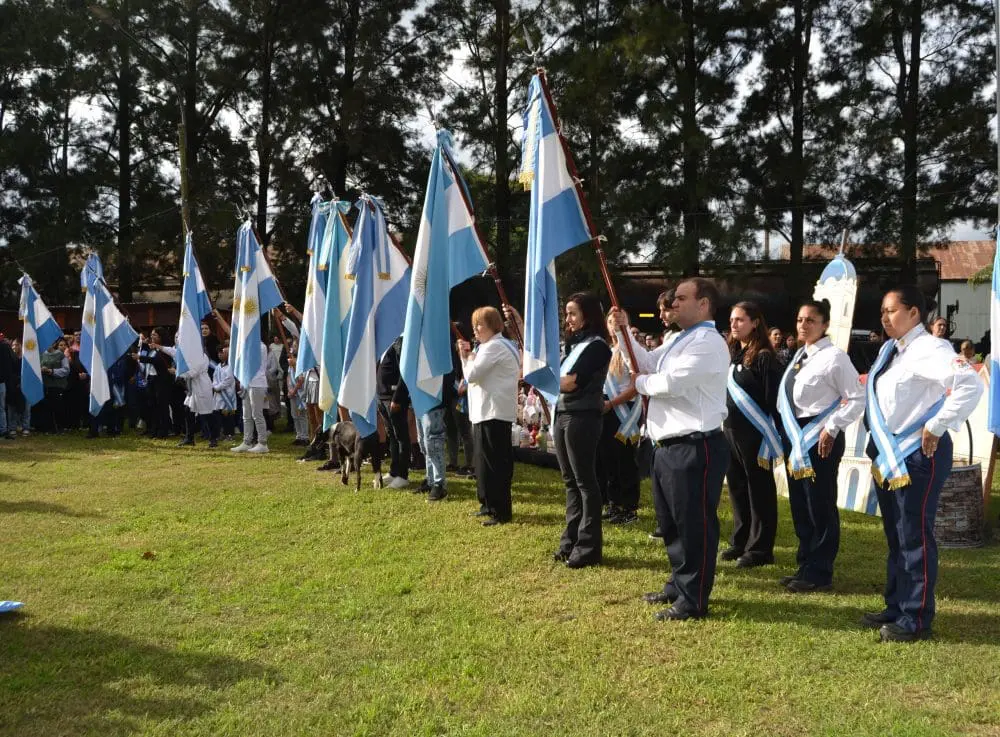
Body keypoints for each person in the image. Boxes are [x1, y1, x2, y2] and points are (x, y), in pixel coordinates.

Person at [862, 286, 982, 642]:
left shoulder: (930, 348)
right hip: (888, 452)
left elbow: (969, 384)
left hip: (918, 453)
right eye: (882, 311)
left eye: (892, 310)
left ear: (915, 313)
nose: (885, 317)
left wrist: (937, 424)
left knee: (914, 535)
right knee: (896, 535)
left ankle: (915, 618)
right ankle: (897, 603)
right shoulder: (891, 350)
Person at [612, 278, 729, 620]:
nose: (673, 304)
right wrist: (622, 334)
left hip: (695, 444)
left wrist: (640, 385)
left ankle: (693, 599)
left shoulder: (708, 342)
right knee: (672, 522)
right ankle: (679, 583)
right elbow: (646, 362)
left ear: (704, 303)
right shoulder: (679, 339)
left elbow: (673, 383)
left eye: (681, 298)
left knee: (694, 524)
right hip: (668, 445)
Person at [776, 299, 864, 593]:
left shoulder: (835, 357)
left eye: (811, 320)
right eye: (800, 319)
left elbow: (856, 397)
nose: (803, 325)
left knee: (820, 504)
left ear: (825, 325)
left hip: (821, 436)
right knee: (801, 503)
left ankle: (820, 570)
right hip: (797, 434)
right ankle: (805, 563)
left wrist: (833, 426)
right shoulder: (801, 355)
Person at [544, 292, 612, 568]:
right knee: (570, 482)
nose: (568, 319)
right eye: (567, 313)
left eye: (573, 313)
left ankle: (588, 546)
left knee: (585, 482)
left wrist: (543, 379)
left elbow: (572, 382)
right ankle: (569, 541)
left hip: (582, 416)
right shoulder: (573, 345)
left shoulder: (597, 347)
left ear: (588, 314)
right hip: (563, 414)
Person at [722, 302, 783, 569]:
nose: (734, 325)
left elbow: (774, 400)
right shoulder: (735, 352)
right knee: (737, 488)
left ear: (755, 322)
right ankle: (741, 540)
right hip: (731, 431)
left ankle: (760, 548)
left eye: (740, 320)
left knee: (759, 490)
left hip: (756, 434)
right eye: (732, 320)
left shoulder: (764, 358)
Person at [458, 306, 521, 526]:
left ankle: (500, 510)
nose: (475, 329)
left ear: (493, 326)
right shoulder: (499, 345)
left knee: (495, 463)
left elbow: (472, 375)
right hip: (489, 411)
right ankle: (487, 503)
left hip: (493, 412)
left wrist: (464, 358)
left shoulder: (494, 346)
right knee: (485, 461)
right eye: (474, 324)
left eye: (480, 325)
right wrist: (472, 355)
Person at [598, 311, 641, 525]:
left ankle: (629, 507)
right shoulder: (606, 350)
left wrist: (611, 403)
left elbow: (635, 387)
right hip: (606, 410)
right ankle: (613, 503)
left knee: (624, 460)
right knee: (608, 459)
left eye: (617, 320)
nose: (613, 324)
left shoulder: (629, 351)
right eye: (609, 321)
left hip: (624, 411)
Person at [377, 335, 412, 489]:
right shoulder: (384, 341)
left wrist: (398, 397)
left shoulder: (399, 341)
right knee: (392, 436)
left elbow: (405, 370)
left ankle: (403, 475)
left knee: (401, 436)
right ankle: (394, 471)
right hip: (382, 396)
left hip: (393, 397)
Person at [231, 339, 270, 454]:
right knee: (246, 415)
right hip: (247, 382)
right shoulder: (247, 344)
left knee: (257, 414)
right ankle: (247, 442)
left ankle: (262, 443)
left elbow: (252, 361)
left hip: (257, 383)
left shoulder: (261, 346)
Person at [38, 338, 70, 433]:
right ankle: (49, 428)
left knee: (58, 407)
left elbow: (66, 370)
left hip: (57, 385)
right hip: (45, 385)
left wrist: (51, 371)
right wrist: (41, 369)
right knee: (47, 407)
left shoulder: (60, 355)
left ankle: (60, 427)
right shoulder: (41, 355)